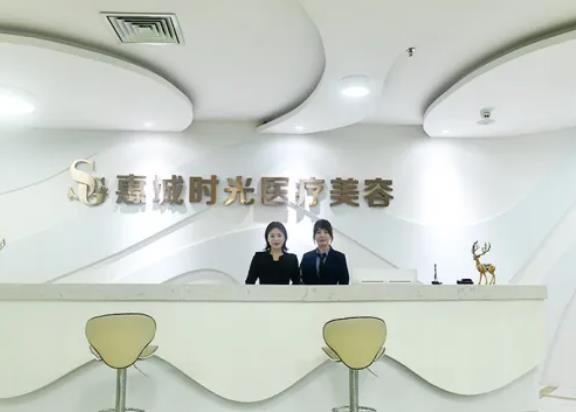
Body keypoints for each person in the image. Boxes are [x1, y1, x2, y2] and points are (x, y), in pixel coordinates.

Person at [300, 219, 349, 285]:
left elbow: (344, 282)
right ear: (314, 236)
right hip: (311, 291)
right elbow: (301, 280)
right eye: (318, 232)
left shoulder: (339, 257)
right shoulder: (306, 257)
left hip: (333, 291)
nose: (322, 235)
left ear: (330, 235)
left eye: (326, 232)